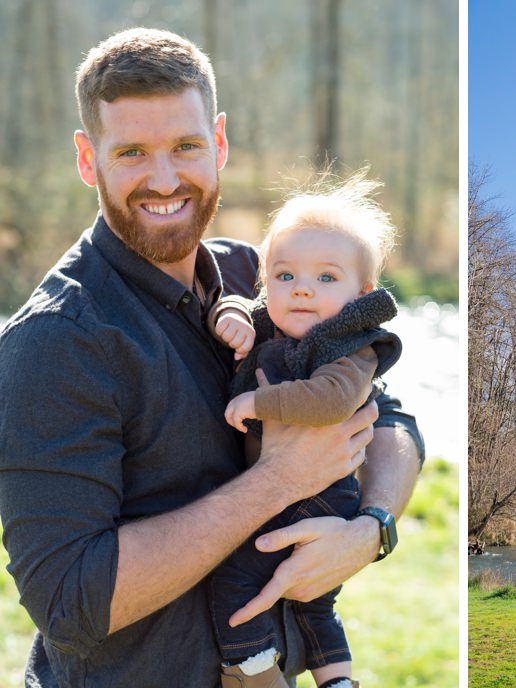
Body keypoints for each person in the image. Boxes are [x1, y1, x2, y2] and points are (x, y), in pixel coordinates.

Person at [0, 28, 423, 687]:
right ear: (89, 159)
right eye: (132, 152)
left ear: (219, 143)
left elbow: (392, 420)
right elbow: (68, 604)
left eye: (186, 147)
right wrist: (278, 481)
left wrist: (371, 530)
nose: (164, 178)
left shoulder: (260, 274)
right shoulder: (56, 341)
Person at [209, 173, 402, 688]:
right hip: (292, 491)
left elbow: (332, 400)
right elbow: (234, 304)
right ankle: (338, 680)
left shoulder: (351, 347)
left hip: (319, 493)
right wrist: (232, 316)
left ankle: (251, 667)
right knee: (315, 601)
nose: (302, 291)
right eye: (285, 276)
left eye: (325, 279)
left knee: (236, 580)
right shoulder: (272, 322)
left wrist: (259, 400)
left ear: (361, 295)